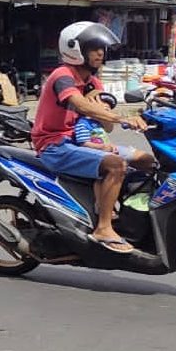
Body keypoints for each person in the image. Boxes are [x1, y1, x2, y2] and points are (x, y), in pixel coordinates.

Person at [31, 22, 149, 255]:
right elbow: (80, 105)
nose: (100, 53)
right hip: (55, 145)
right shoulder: (62, 76)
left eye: (102, 49)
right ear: (76, 49)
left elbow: (105, 125)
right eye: (94, 48)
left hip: (84, 142)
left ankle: (124, 214)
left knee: (147, 161)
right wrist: (123, 117)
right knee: (115, 165)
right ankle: (103, 228)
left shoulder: (93, 82)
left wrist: (112, 114)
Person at [72, 91, 158, 175]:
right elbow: (83, 143)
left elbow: (109, 129)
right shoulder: (83, 123)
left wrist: (103, 115)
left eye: (109, 106)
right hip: (96, 152)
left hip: (109, 150)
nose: (106, 106)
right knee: (117, 166)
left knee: (147, 159)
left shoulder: (99, 122)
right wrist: (102, 147)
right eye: (102, 102)